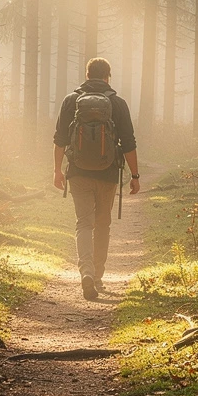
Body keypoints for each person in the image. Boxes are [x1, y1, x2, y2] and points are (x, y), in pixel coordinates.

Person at [53, 57, 140, 301]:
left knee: (84, 223)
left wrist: (57, 170)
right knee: (102, 224)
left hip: (78, 173)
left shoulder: (71, 101)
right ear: (107, 77)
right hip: (108, 173)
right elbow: (129, 143)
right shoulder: (117, 103)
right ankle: (98, 276)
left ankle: (86, 273)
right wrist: (134, 175)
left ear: (87, 74)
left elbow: (59, 139)